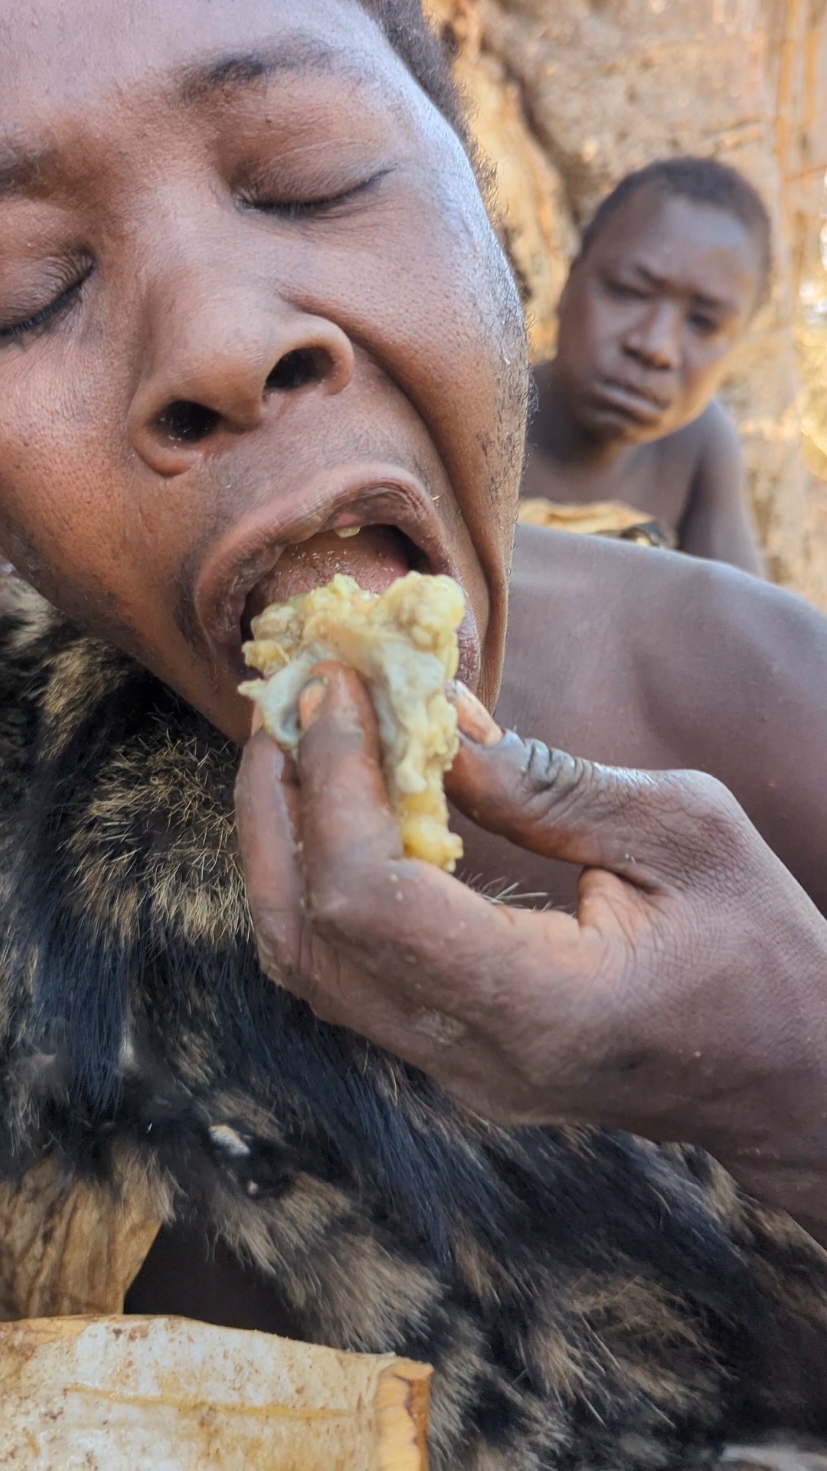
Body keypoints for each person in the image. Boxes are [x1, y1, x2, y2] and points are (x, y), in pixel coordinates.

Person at [3, 0, 827, 1464]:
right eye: (28, 290)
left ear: (484, 214)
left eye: (307, 176)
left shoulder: (775, 711)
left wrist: (789, 1088)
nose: (219, 341)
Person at [522, 158, 768, 574]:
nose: (655, 347)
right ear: (569, 278)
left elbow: (748, 624)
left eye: (703, 323)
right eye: (627, 291)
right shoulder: (475, 418)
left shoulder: (697, 445)